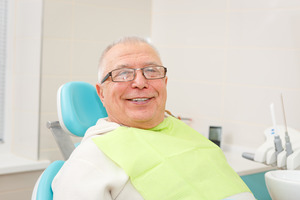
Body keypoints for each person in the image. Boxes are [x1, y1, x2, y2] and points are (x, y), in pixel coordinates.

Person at [52, 36, 255, 200]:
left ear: (164, 83)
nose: (140, 82)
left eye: (151, 71)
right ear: (102, 93)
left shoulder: (184, 133)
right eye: (123, 73)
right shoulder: (89, 160)